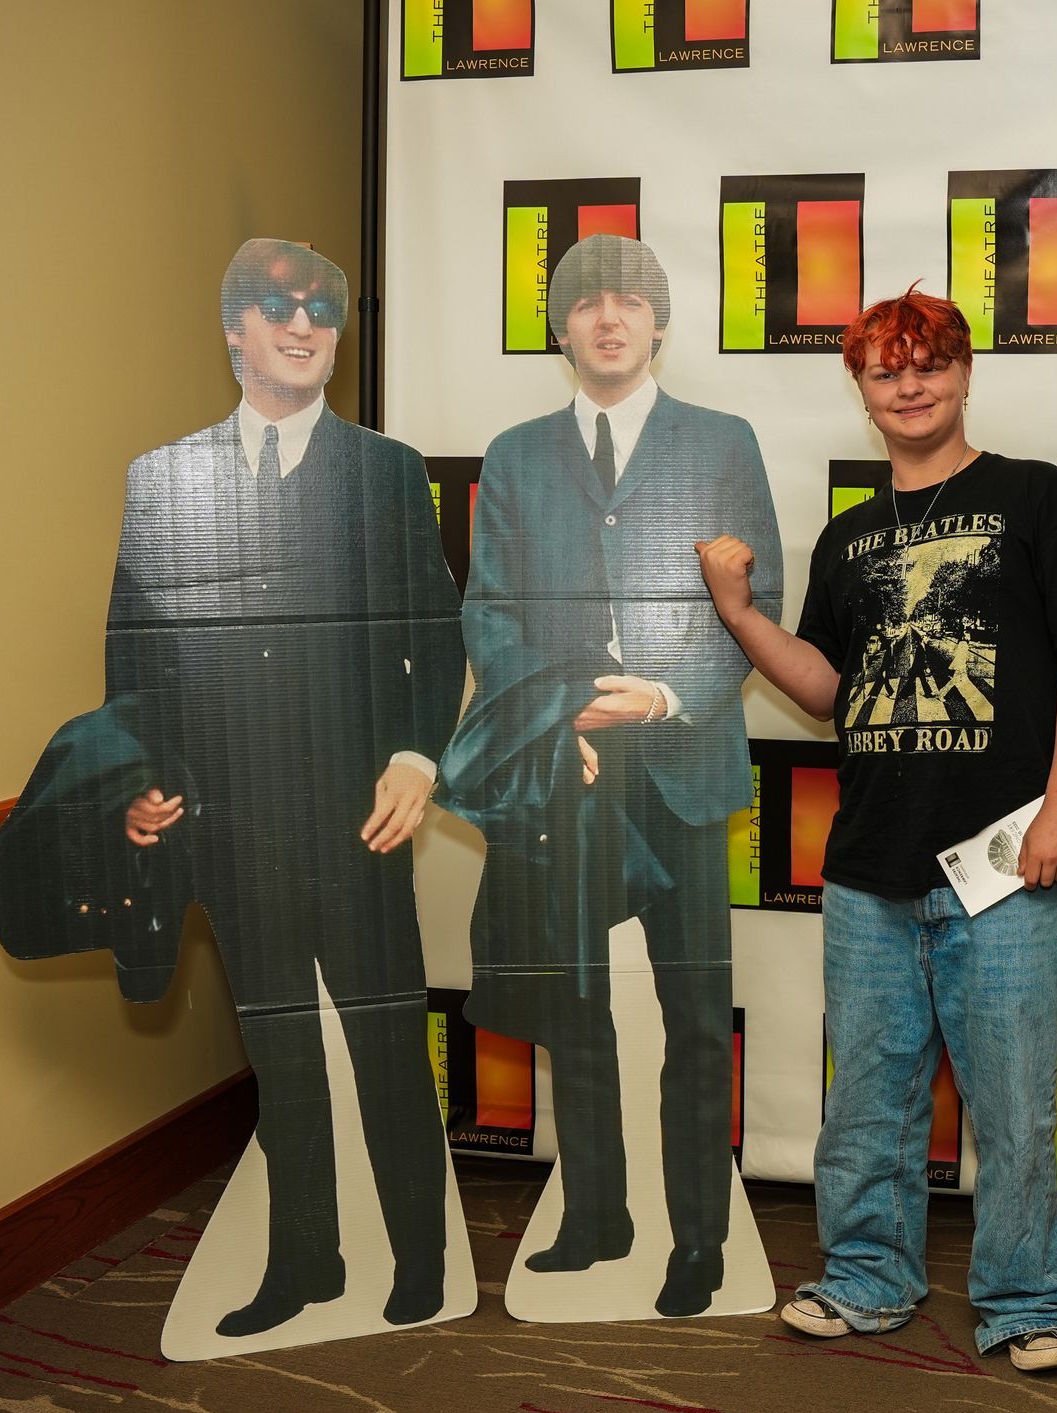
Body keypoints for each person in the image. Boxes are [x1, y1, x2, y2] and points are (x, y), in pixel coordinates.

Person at [695, 285, 1057, 1371]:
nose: (910, 383)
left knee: (1014, 1100)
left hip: (1009, 863)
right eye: (887, 370)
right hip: (870, 872)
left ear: (966, 371)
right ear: (863, 390)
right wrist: (742, 611)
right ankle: (865, 1278)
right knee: (870, 1096)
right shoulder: (848, 537)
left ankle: (1029, 1301)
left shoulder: (1035, 499)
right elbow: (826, 690)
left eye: (928, 362)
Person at [108, 239, 463, 1336]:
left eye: (324, 311)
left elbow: (435, 639)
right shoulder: (164, 478)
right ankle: (303, 1262)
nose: (305, 327)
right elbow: (135, 652)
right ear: (234, 328)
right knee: (282, 1056)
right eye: (279, 308)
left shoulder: (386, 472)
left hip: (357, 823)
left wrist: (416, 755)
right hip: (230, 826)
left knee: (386, 1049)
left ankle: (421, 1264)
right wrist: (139, 779)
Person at [436, 234, 782, 1317]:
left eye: (631, 301)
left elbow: (756, 593)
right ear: (563, 328)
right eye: (586, 303)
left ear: (661, 323)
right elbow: (489, 607)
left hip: (681, 763)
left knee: (690, 1014)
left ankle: (699, 1240)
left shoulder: (724, 440)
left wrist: (667, 695)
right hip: (566, 765)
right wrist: (558, 710)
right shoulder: (518, 450)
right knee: (577, 1006)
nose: (609, 318)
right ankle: (597, 1216)